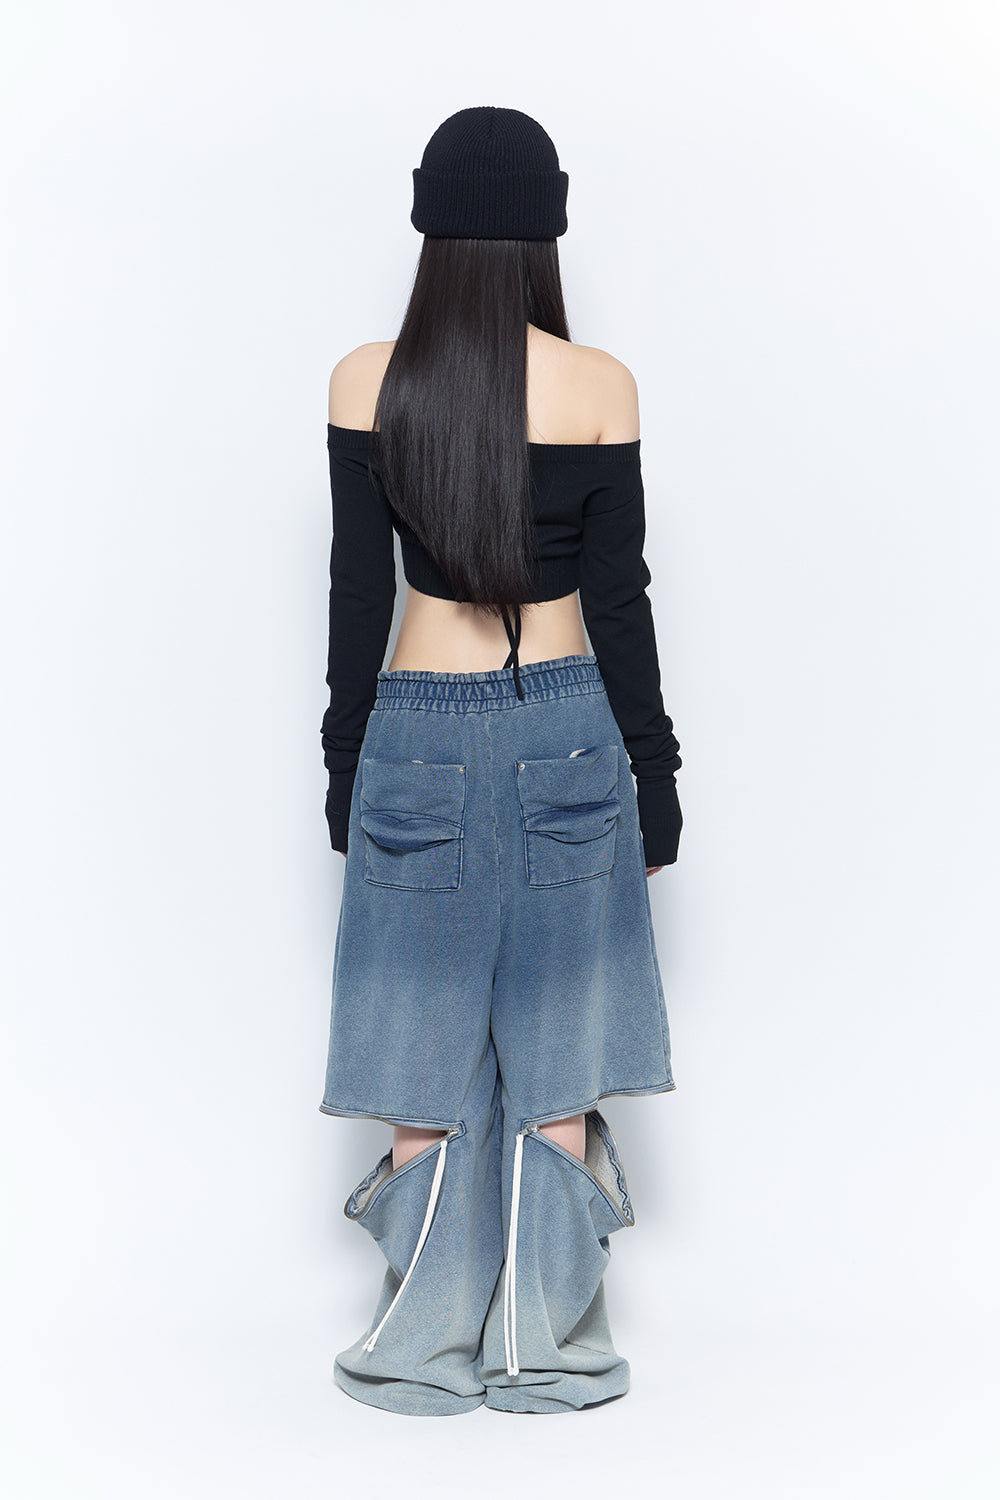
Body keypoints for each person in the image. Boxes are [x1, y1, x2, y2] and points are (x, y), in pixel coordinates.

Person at [317, 105, 683, 1416]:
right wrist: (655, 775)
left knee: (418, 1047)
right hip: (568, 728)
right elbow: (620, 602)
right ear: (547, 230)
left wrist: (344, 762)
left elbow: (359, 594)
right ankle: (547, 1353)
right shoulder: (601, 385)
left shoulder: (369, 379)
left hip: (417, 729)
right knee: (559, 1052)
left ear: (430, 222)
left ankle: (417, 1353)